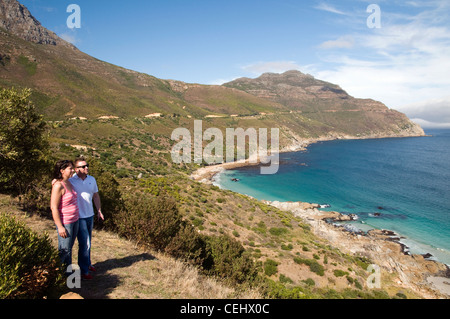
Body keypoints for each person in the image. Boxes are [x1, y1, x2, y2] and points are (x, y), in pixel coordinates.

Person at [70, 157, 104, 280]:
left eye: (87, 165)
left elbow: (95, 195)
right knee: (84, 244)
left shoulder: (91, 179)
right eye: (83, 166)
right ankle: (84, 271)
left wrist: (99, 210)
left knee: (89, 241)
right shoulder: (71, 180)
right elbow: (60, 185)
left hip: (90, 215)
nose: (86, 168)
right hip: (78, 217)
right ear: (76, 169)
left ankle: (88, 264)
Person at [50, 160, 79, 275]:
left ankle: (67, 274)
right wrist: (60, 226)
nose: (73, 171)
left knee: (69, 248)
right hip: (66, 223)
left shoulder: (69, 182)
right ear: (62, 171)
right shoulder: (58, 185)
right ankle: (58, 276)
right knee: (64, 251)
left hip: (75, 220)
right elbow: (54, 207)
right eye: (70, 169)